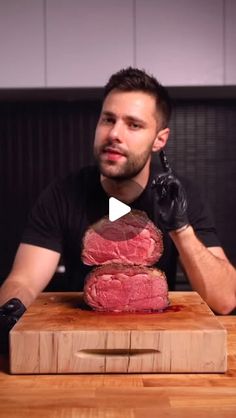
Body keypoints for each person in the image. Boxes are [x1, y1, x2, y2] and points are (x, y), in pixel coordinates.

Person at [1, 67, 236, 352]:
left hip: (157, 344)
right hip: (81, 341)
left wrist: (180, 227)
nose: (114, 134)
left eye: (133, 125)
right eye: (108, 119)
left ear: (159, 139)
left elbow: (225, 300)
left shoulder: (181, 196)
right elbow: (24, 279)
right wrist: (8, 309)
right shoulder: (62, 194)